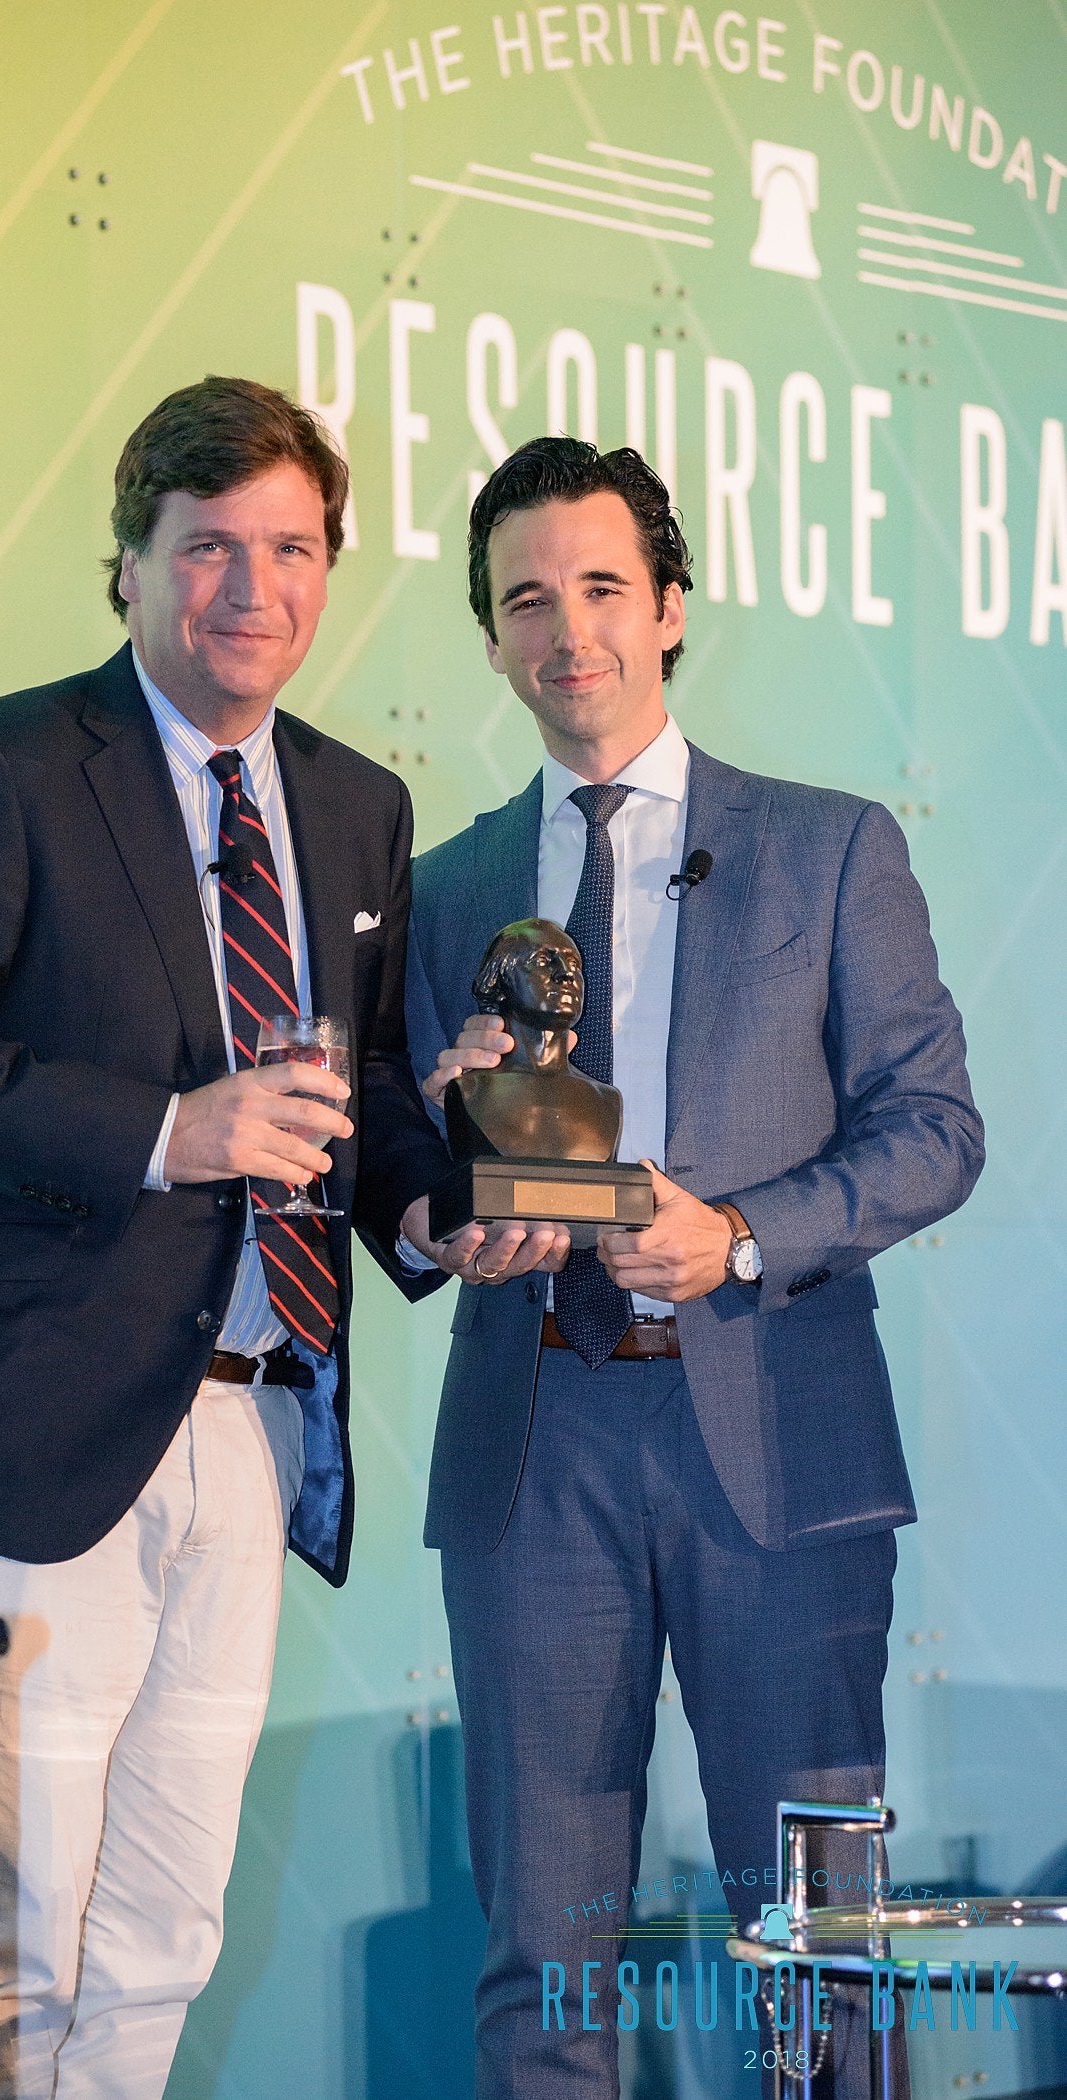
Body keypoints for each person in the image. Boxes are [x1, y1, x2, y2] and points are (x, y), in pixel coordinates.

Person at [0, 376, 489, 2098]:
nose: (252, 589)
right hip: (12, 1426)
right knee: (0, 1944)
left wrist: (436, 1203)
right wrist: (163, 1133)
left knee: (161, 1935)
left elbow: (362, 1085)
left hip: (251, 1418)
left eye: (291, 549)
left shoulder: (356, 805)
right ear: (126, 564)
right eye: (207, 547)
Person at [404, 438, 985, 2097]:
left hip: (776, 1435)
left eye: (601, 587)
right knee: (541, 1951)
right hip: (534, 1444)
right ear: (490, 637)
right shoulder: (443, 888)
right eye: (525, 598)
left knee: (818, 1947)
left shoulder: (827, 848)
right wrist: (439, 1202)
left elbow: (934, 1130)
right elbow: (402, 1179)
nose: (566, 629)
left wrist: (731, 1234)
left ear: (668, 608)